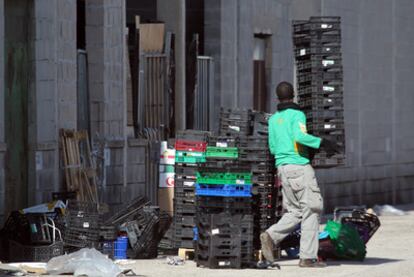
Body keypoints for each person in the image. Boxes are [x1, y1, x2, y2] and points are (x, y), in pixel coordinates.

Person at [260, 81, 338, 268]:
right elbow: (300, 137)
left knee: (295, 211)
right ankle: (307, 258)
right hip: (299, 167)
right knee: (312, 209)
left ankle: (271, 236)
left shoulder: (273, 119)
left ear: (277, 98)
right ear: (293, 95)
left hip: (283, 169)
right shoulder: (297, 114)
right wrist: (322, 142)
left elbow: (272, 147)